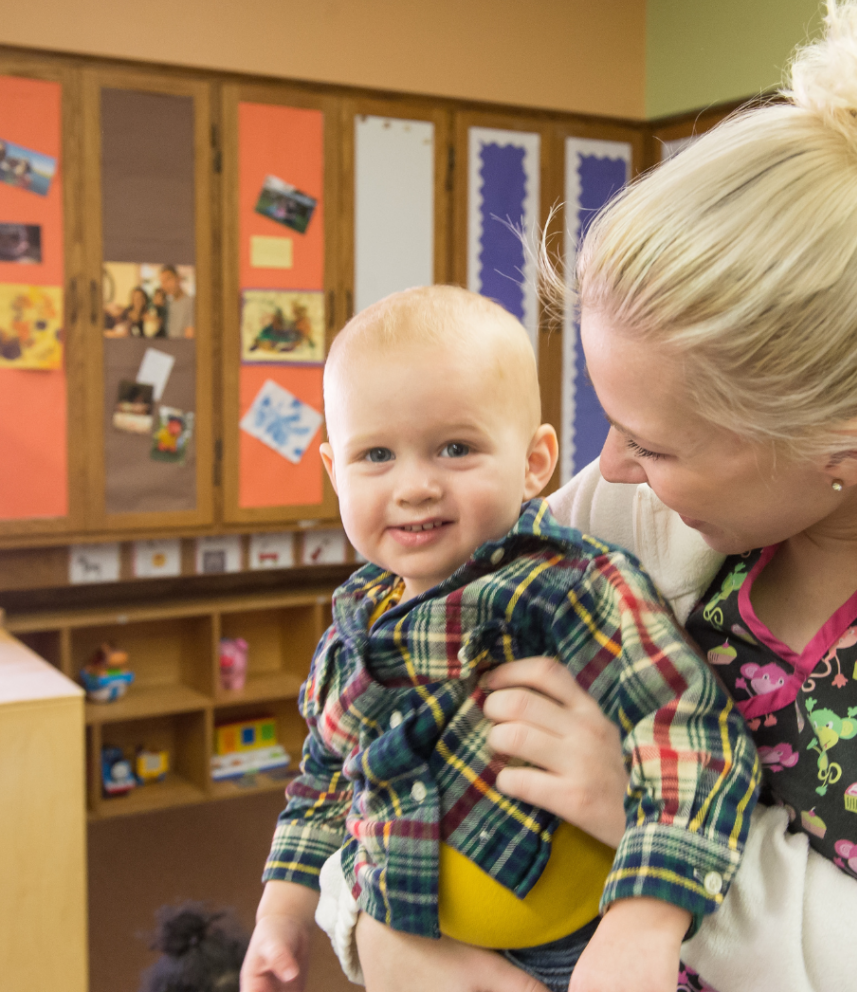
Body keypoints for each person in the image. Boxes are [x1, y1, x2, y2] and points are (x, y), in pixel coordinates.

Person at [340, 0, 857, 992]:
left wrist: (663, 827)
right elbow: (367, 718)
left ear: (848, 452)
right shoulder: (616, 514)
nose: (605, 468)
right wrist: (377, 930)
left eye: (652, 444)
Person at [240, 286, 760, 992]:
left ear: (534, 461)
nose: (415, 485)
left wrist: (648, 914)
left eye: (455, 448)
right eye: (376, 455)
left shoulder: (566, 587)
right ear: (334, 472)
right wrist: (283, 913)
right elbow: (326, 781)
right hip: (418, 944)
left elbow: (687, 735)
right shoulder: (351, 628)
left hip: (580, 952)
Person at [160, 265, 195, 338]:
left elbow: (190, 334)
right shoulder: (169, 304)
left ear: (178, 279)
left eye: (168, 279)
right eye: (162, 282)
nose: (165, 285)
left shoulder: (191, 302)